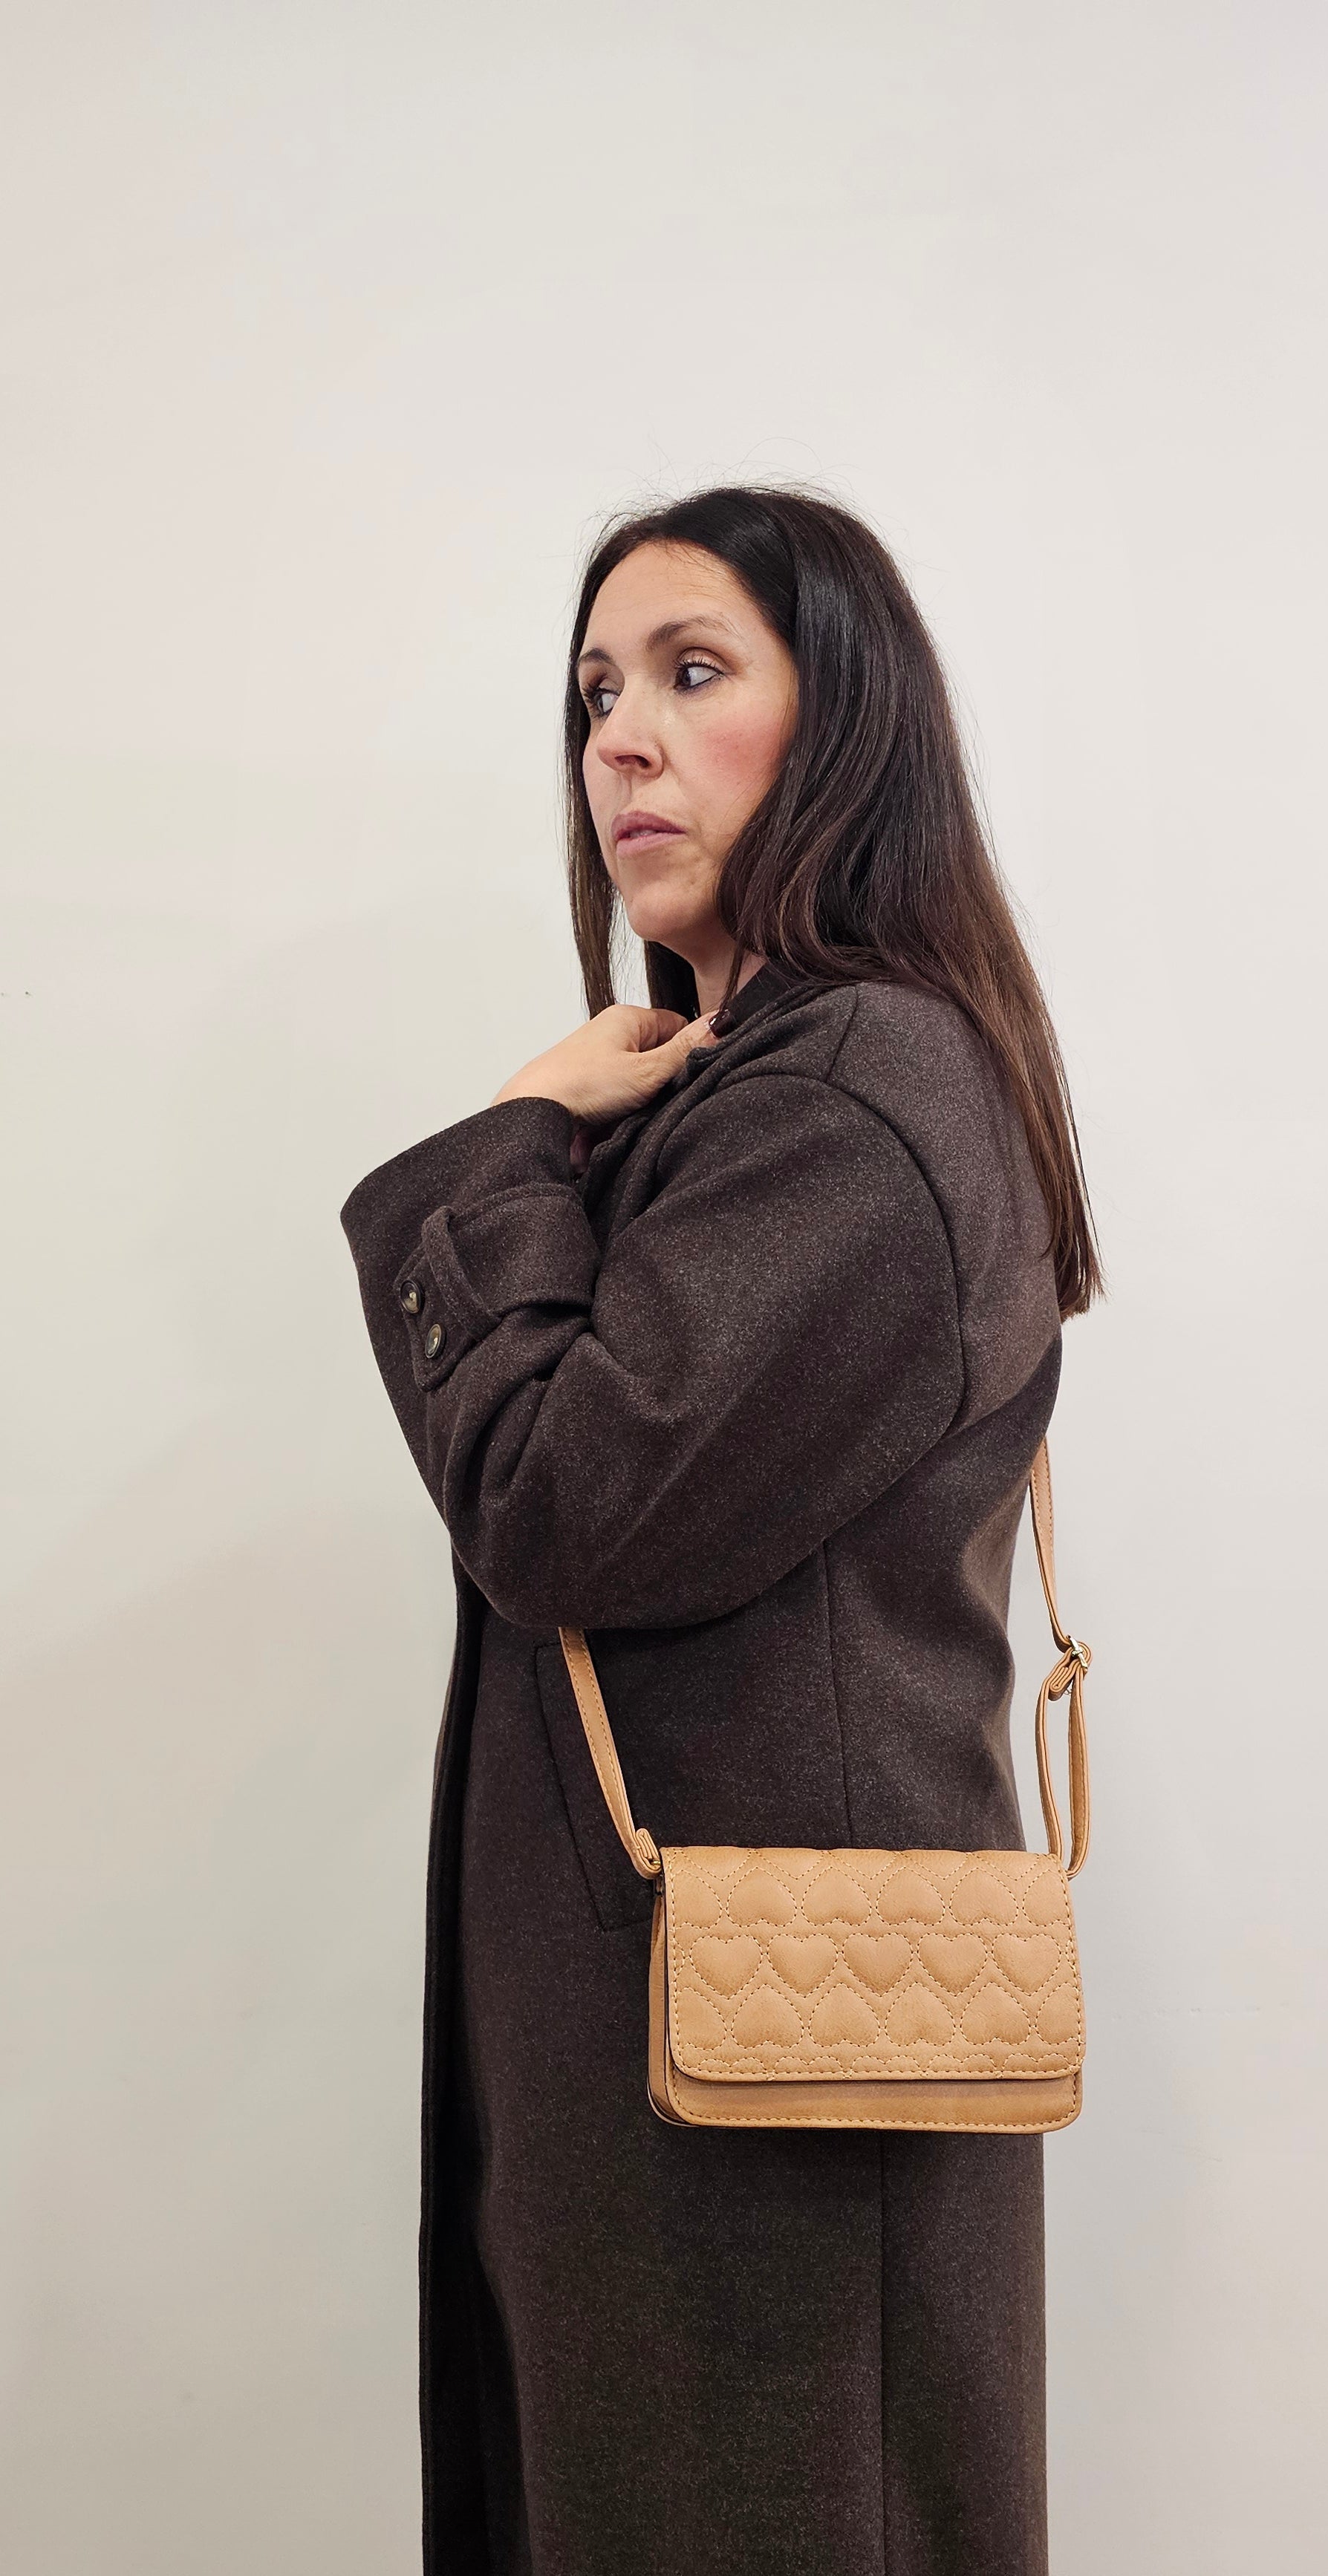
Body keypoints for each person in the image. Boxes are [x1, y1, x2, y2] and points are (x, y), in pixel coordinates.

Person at [342, 485, 1101, 2576]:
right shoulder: (757, 1087)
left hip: (771, 2122)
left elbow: (557, 1506)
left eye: (693, 672)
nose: (620, 737)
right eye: (597, 689)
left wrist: (510, 1142)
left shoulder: (854, 1096)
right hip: (712, 2088)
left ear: (844, 721)